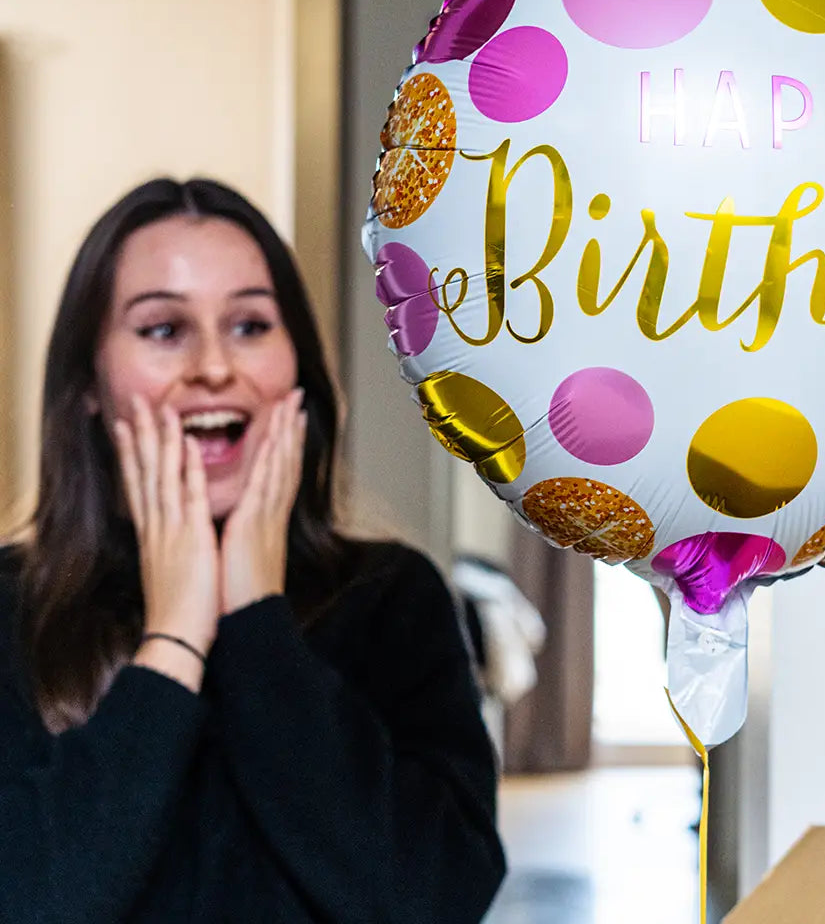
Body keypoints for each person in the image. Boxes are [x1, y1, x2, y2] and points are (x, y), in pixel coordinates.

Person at [0, 177, 506, 923]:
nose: (213, 367)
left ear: (295, 368)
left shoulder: (394, 598)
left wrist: (256, 624)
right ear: (89, 386)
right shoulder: (12, 608)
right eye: (163, 329)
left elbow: (431, 898)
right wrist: (173, 642)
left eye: (249, 325)